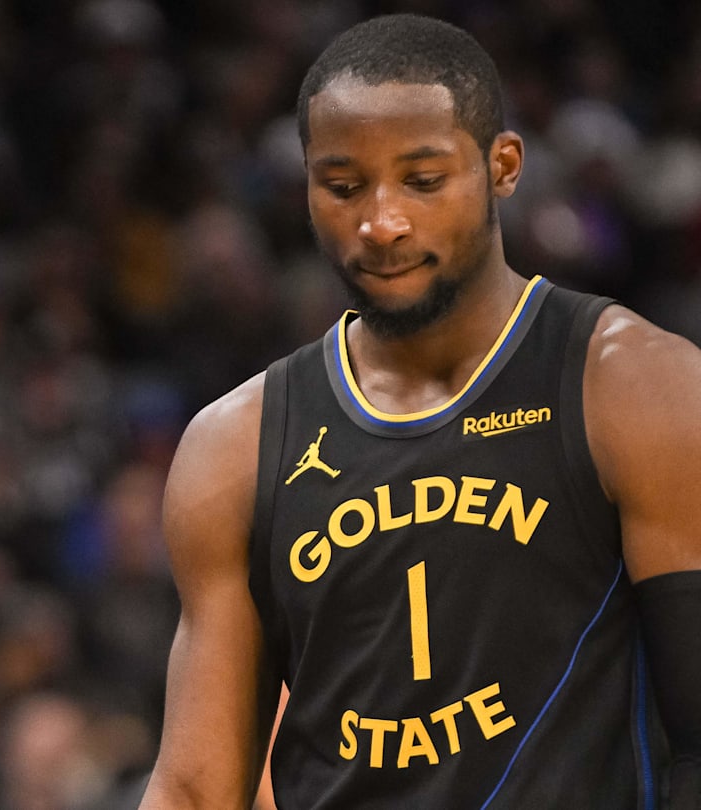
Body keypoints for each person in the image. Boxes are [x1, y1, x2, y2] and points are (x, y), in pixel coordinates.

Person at [139, 14, 701, 809]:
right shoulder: (234, 445)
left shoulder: (635, 385)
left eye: (423, 180)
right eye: (343, 186)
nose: (381, 221)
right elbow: (196, 789)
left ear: (502, 166)